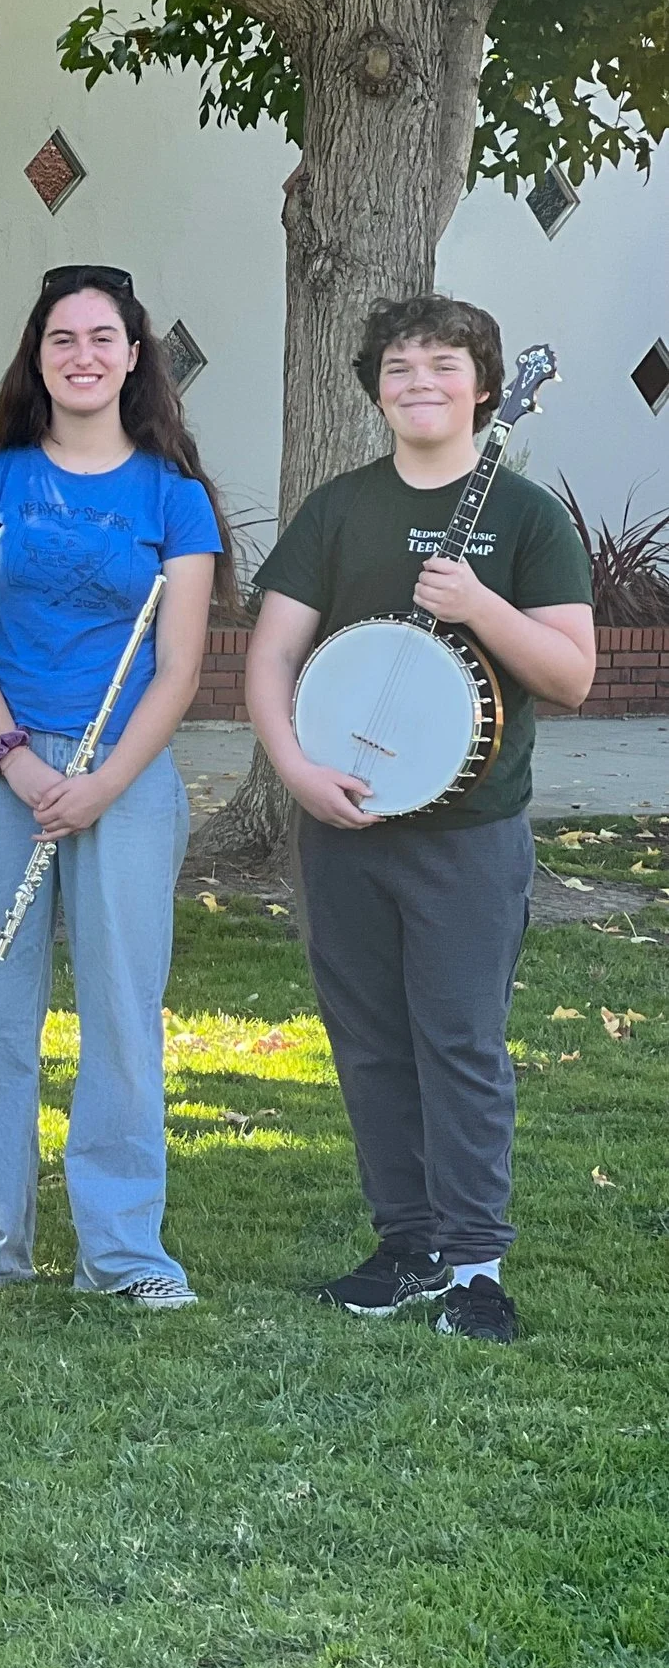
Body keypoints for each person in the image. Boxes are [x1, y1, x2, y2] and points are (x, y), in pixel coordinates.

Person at [247, 296, 593, 1345]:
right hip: (343, 823)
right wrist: (295, 769)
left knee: (460, 1044)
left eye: (444, 365)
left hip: (469, 833)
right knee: (367, 1044)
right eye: (399, 367)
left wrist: (483, 606)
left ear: (485, 387)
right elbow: (269, 656)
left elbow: (572, 675)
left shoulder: (527, 516)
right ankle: (406, 1245)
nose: (420, 382)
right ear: (376, 388)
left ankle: (476, 1266)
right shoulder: (339, 508)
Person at [0, 265, 226, 1309]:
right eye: (60, 339)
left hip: (123, 777)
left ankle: (123, 1255)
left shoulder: (175, 498)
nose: (81, 355)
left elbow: (177, 671)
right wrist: (21, 764)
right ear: (35, 359)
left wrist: (100, 784)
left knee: (122, 1014)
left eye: (101, 338)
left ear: (134, 356)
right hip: (3, 765)